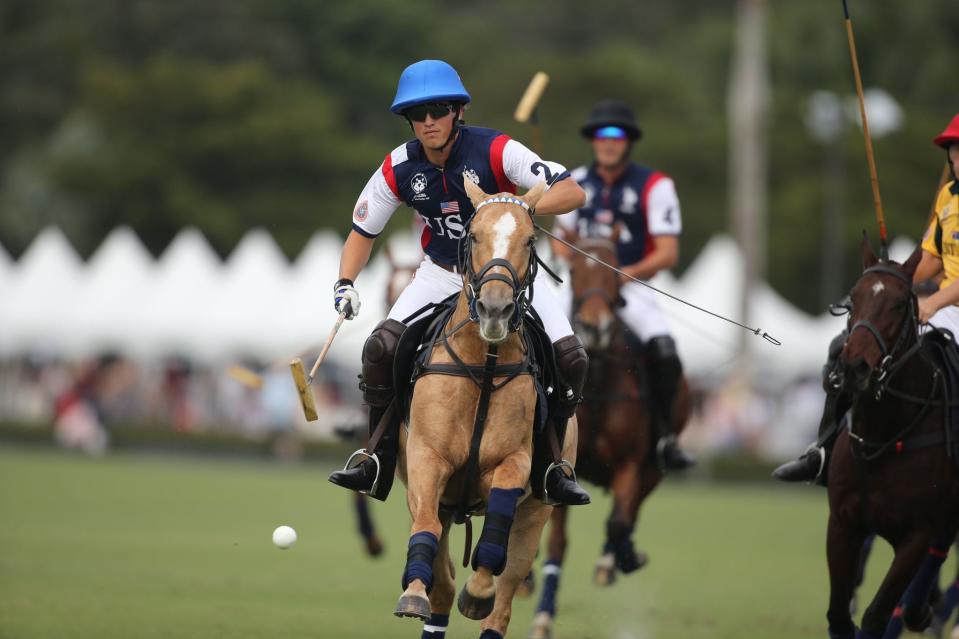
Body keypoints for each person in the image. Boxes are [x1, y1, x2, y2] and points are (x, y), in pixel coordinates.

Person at [327, 60, 591, 506]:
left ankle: (551, 469)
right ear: (409, 120)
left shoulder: (498, 151)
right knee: (380, 349)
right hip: (441, 273)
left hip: (507, 278)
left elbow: (571, 191)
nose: (428, 121)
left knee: (571, 359)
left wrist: (512, 208)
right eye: (419, 114)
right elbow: (362, 233)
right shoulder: (399, 167)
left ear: (457, 112)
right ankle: (376, 458)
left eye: (438, 110)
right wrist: (344, 283)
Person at [773, 111, 959, 484]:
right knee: (850, 347)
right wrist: (892, 278)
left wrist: (933, 303)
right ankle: (823, 451)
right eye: (954, 151)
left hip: (945, 307)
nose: (957, 158)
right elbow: (932, 257)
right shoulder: (948, 197)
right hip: (942, 306)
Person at [552, 100, 694, 472]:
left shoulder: (655, 185)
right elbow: (557, 240)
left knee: (664, 350)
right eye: (601, 135)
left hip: (632, 283)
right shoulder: (574, 181)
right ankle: (540, 432)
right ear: (593, 141)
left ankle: (665, 437)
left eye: (616, 135)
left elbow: (667, 253)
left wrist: (623, 273)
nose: (608, 142)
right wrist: (581, 266)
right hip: (582, 285)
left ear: (628, 141)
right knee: (541, 340)